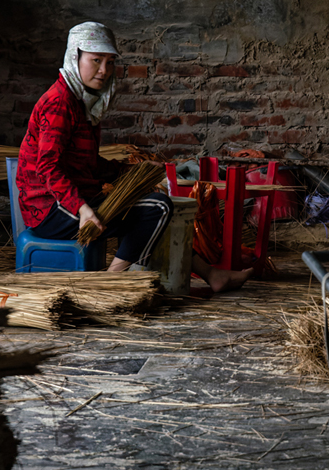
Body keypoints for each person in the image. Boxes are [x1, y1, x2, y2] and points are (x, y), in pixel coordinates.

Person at [16, 21, 252, 293]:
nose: (103, 71)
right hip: (50, 209)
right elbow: (48, 168)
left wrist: (132, 171)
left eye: (109, 62)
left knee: (160, 209)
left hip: (70, 200)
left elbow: (87, 165)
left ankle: (212, 275)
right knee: (159, 208)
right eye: (95, 60)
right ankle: (109, 283)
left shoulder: (82, 102)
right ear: (74, 57)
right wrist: (82, 209)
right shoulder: (60, 102)